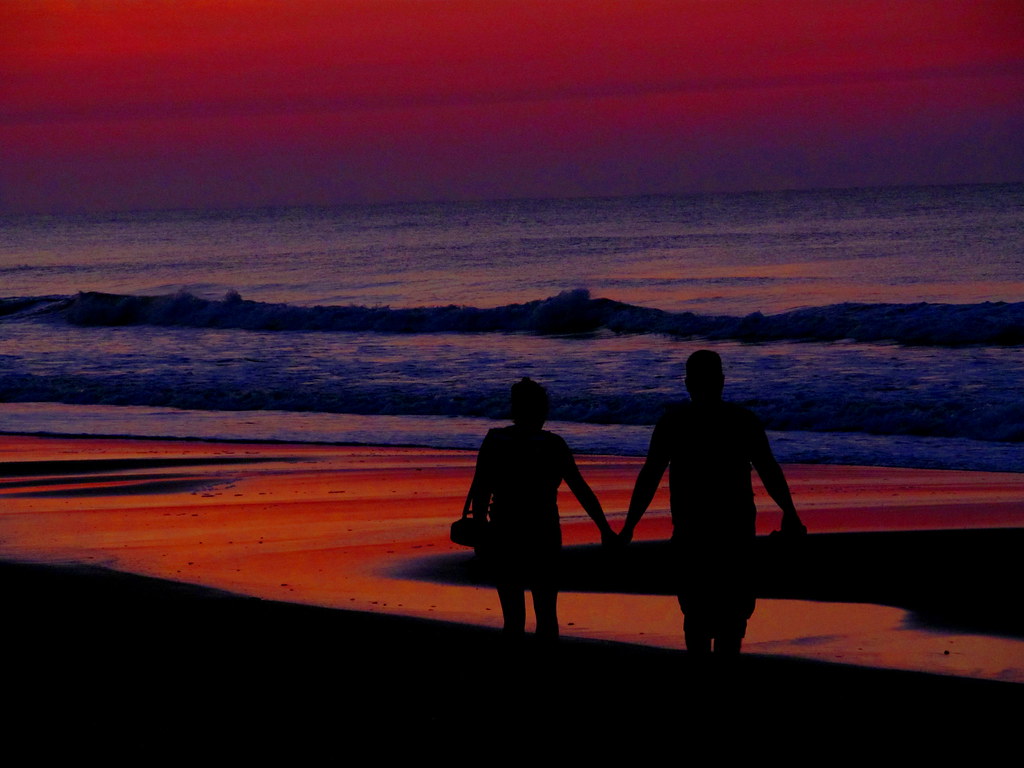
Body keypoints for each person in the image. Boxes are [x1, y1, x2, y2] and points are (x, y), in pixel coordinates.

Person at [619, 350, 806, 656]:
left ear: (687, 383)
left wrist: (629, 526)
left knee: (696, 614)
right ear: (721, 381)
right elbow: (769, 470)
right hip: (735, 529)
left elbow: (650, 476)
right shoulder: (742, 421)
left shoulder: (673, 422)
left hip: (693, 530)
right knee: (731, 617)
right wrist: (791, 514)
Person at [468, 377, 616, 642]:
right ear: (542, 410)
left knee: (512, 616)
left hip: (504, 531)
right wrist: (604, 528)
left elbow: (481, 488)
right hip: (543, 532)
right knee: (546, 612)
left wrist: (480, 529)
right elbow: (580, 489)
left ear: (514, 409)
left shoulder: (495, 440)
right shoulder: (553, 445)